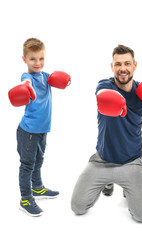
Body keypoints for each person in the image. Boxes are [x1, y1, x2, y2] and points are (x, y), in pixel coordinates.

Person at [71, 44, 142, 223]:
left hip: (132, 162)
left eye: (127, 63)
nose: (123, 68)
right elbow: (102, 95)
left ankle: (126, 187)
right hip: (102, 160)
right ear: (112, 67)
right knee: (77, 207)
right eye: (118, 64)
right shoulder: (105, 85)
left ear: (135, 65)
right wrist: (115, 101)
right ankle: (106, 182)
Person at [8, 38, 71, 217]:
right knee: (27, 165)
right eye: (33, 59)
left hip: (42, 130)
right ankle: (26, 198)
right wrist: (26, 87)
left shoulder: (46, 76)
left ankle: (37, 188)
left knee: (39, 160)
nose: (37, 63)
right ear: (25, 60)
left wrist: (66, 80)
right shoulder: (27, 77)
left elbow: (59, 80)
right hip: (28, 132)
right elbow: (25, 82)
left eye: (41, 58)